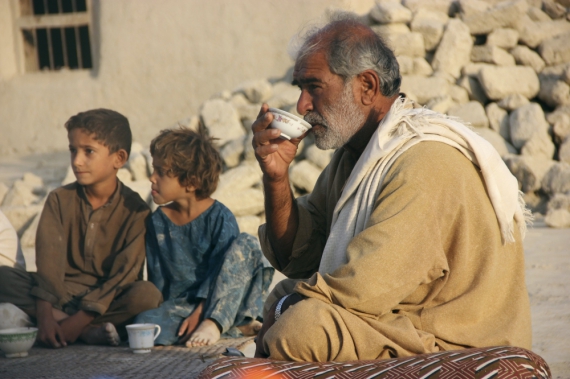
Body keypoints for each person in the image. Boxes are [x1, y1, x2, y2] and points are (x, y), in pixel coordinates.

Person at [251, 13, 532, 361]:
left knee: (300, 327)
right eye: (300, 89)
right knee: (286, 299)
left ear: (367, 87)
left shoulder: (423, 161)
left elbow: (363, 289)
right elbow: (299, 255)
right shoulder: (356, 155)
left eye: (314, 87)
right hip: (403, 322)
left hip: (455, 343)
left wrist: (283, 311)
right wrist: (275, 178)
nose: (302, 106)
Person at [0, 109, 162, 348]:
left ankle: (74, 325)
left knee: (147, 295)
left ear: (119, 158)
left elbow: (123, 276)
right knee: (3, 276)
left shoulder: (136, 211)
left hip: (106, 300)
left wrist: (80, 318)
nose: (77, 161)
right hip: (59, 295)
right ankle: (87, 333)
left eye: (89, 152)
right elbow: (48, 269)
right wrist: (45, 316)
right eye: (73, 150)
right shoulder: (59, 200)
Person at [134, 126, 274, 347]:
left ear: (190, 182)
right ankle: (234, 327)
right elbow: (158, 285)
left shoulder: (220, 217)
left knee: (247, 243)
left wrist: (203, 314)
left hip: (226, 299)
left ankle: (214, 323)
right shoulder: (157, 222)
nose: (152, 178)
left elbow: (226, 277)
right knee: (145, 322)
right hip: (182, 307)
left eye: (160, 172)